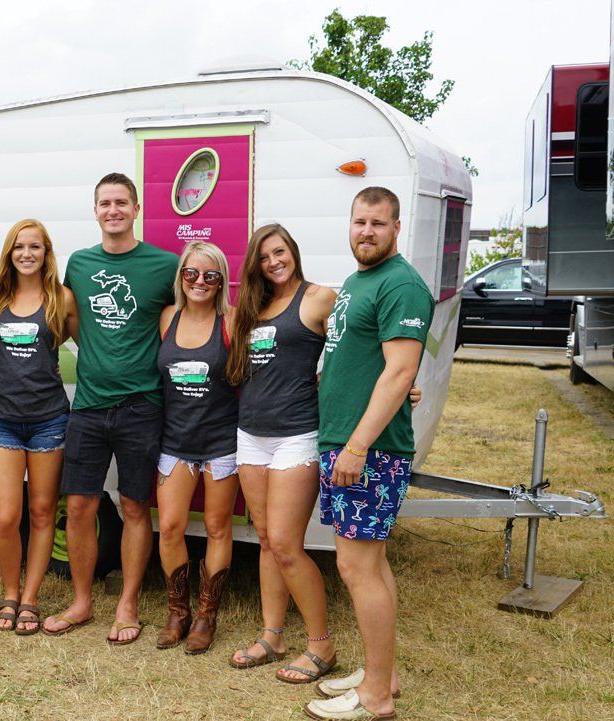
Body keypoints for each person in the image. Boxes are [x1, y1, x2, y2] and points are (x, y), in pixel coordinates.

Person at [304, 187, 433, 721]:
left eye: (378, 223)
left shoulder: (401, 284)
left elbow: (401, 371)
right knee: (372, 566)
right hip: (346, 443)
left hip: (369, 450)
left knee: (355, 568)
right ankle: (385, 675)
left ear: (396, 228)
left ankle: (376, 698)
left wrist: (357, 445)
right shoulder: (359, 282)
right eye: (360, 221)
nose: (367, 232)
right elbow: (363, 362)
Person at [42, 172, 179, 645]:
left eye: (122, 202)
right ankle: (81, 602)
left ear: (136, 209)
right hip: (89, 406)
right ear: (95, 210)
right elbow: (59, 313)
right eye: (105, 203)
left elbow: (197, 318)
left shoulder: (165, 264)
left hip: (143, 406)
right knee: (79, 505)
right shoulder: (79, 264)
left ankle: (128, 605)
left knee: (135, 506)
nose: (113, 210)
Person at [225, 223, 339, 682]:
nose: (274, 261)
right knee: (266, 539)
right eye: (264, 256)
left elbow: (355, 352)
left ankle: (321, 646)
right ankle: (273, 636)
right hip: (251, 433)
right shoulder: (251, 308)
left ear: (292, 251)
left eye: (280, 252)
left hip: (297, 434)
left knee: (289, 545)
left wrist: (402, 383)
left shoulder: (318, 298)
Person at [0, 219, 77, 635]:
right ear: (9, 253)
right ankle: (9, 591)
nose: (26, 254)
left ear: (46, 253)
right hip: (3, 420)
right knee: (5, 516)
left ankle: (31, 597)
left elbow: (89, 345)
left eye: (34, 247)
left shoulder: (61, 299)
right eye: (19, 247)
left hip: (49, 420)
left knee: (41, 513)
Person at [153, 241, 239, 655]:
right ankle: (178, 611)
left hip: (221, 443)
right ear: (181, 277)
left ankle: (206, 616)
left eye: (210, 275)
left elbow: (270, 371)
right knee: (169, 526)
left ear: (221, 281)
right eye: (191, 273)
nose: (199, 282)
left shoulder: (233, 322)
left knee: (218, 527)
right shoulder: (167, 318)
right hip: (175, 442)